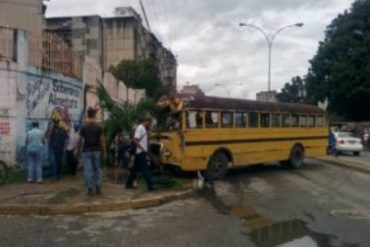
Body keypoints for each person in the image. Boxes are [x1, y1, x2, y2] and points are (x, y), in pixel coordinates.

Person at [77, 107, 106, 196]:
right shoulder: (99, 128)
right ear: (94, 115)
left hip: (86, 151)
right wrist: (104, 152)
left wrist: (78, 150)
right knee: (98, 169)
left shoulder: (84, 128)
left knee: (87, 170)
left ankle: (89, 188)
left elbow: (80, 140)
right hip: (97, 151)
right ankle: (98, 186)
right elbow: (102, 140)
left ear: (88, 115)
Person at [125, 115, 155, 191]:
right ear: (147, 121)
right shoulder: (140, 128)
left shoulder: (144, 129)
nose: (151, 125)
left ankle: (128, 183)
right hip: (141, 152)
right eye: (150, 123)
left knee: (135, 169)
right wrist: (142, 148)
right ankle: (150, 186)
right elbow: (135, 140)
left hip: (141, 152)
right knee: (145, 169)